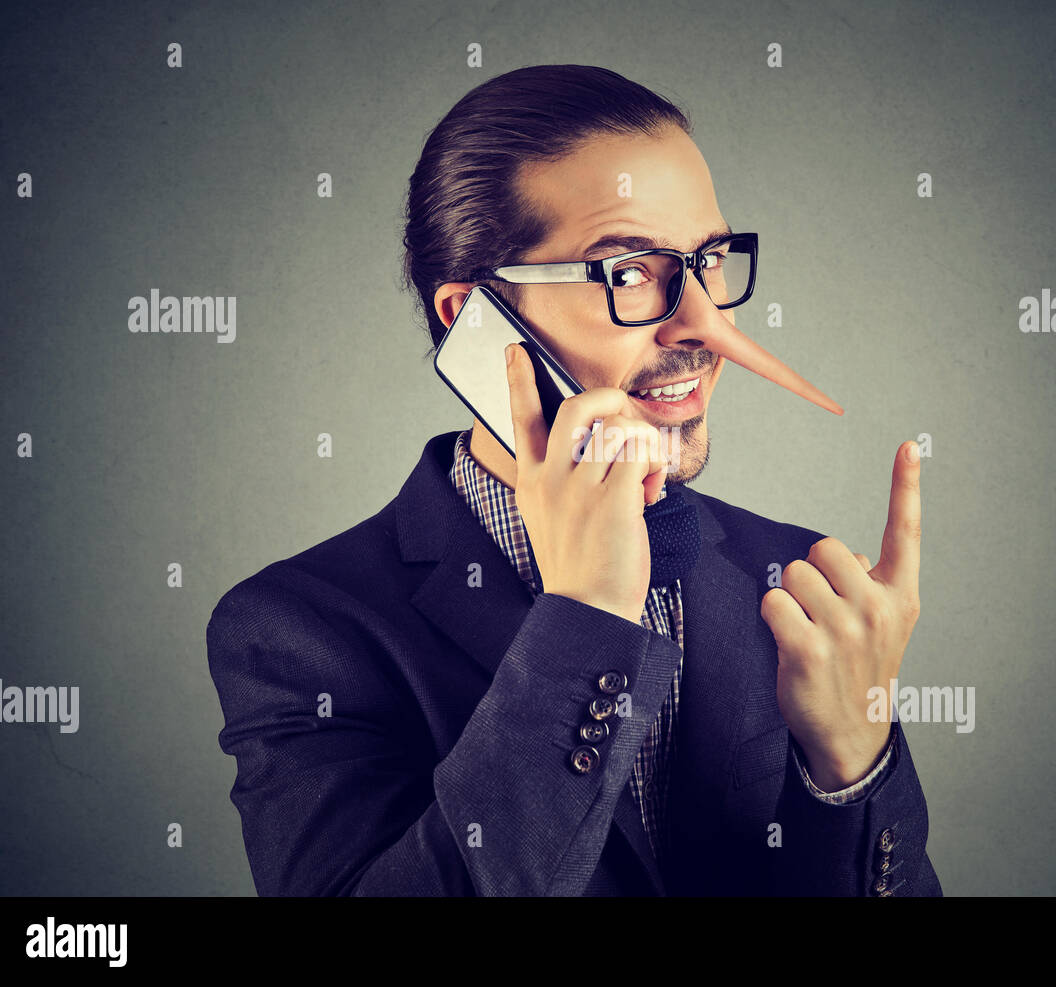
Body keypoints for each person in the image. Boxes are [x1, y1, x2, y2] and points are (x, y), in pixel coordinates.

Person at [207, 64, 941, 896]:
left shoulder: (801, 584)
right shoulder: (298, 628)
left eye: (709, 260)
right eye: (628, 272)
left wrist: (852, 768)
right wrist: (584, 622)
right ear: (476, 319)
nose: (705, 326)